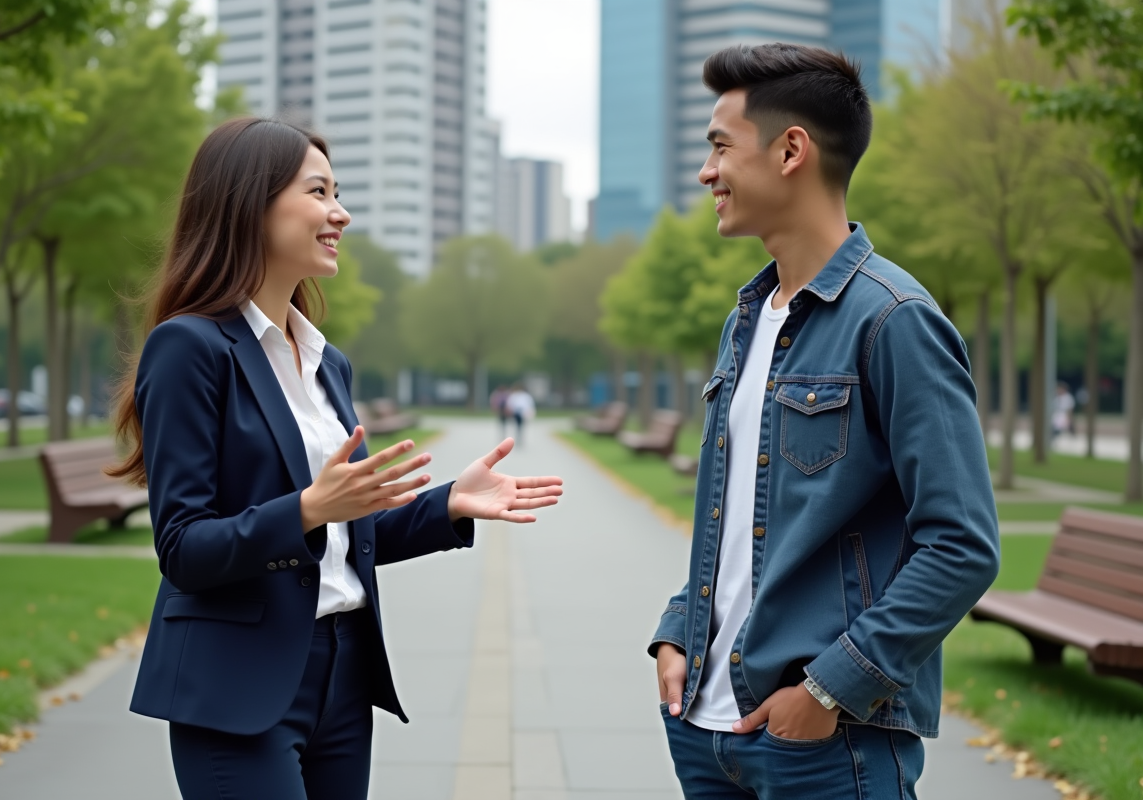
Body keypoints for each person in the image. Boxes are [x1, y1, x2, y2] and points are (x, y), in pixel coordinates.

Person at [108, 118, 564, 800]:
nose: (340, 213)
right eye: (319, 192)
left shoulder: (326, 362)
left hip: (343, 676)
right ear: (249, 203)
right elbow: (183, 549)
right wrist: (307, 509)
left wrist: (447, 504)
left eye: (337, 193)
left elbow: (352, 533)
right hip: (239, 688)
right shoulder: (190, 349)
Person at [650, 44, 999, 799]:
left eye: (718, 147)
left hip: (823, 748)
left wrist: (830, 689)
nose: (706, 172)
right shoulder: (746, 321)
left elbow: (963, 545)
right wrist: (680, 628)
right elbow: (734, 514)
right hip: (707, 734)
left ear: (790, 151)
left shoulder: (895, 321)